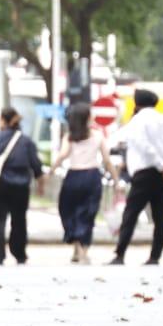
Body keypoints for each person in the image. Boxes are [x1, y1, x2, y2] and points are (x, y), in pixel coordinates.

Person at [109, 88, 163, 266]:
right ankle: (155, 256)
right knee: (160, 215)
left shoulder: (137, 121)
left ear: (138, 103)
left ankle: (120, 253)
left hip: (144, 172)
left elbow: (143, 145)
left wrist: (160, 165)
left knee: (131, 213)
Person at [0, 107, 44, 266]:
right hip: (20, 188)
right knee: (19, 221)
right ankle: (19, 254)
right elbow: (36, 167)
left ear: (3, 121)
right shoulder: (26, 142)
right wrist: (40, 186)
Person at [51, 101, 112, 264]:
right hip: (92, 176)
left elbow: (63, 154)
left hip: (73, 176)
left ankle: (77, 248)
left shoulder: (69, 137)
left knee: (69, 211)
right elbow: (106, 159)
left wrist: (51, 170)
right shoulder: (98, 136)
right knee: (87, 214)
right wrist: (116, 177)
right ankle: (83, 250)